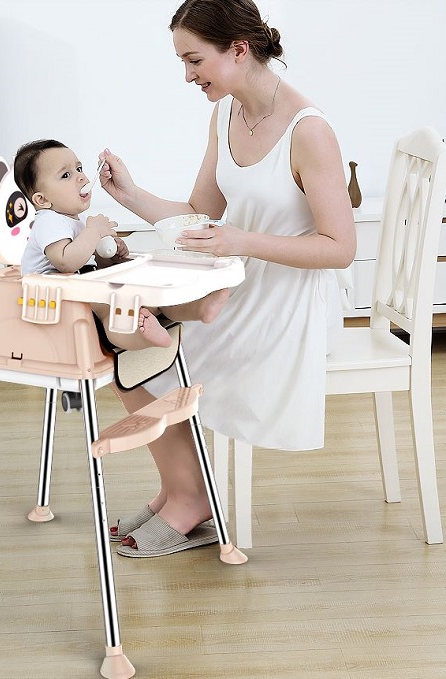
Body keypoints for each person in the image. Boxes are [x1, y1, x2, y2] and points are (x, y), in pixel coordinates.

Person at [98, 0, 357, 557]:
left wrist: (240, 242)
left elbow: (340, 249)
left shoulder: (309, 131)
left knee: (149, 356)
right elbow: (199, 211)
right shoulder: (225, 114)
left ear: (239, 49)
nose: (188, 75)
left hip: (289, 299)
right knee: (127, 347)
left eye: (194, 60)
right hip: (238, 284)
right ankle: (180, 492)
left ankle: (191, 502)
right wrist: (132, 194)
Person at [14, 138, 229, 351]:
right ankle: (142, 335)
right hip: (51, 300)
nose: (81, 177)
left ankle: (198, 307)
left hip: (76, 289)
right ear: (42, 200)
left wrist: (108, 258)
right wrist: (94, 231)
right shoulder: (48, 221)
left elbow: (84, 264)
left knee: (143, 293)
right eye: (66, 175)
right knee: (110, 309)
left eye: (79, 168)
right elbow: (65, 262)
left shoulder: (70, 220)